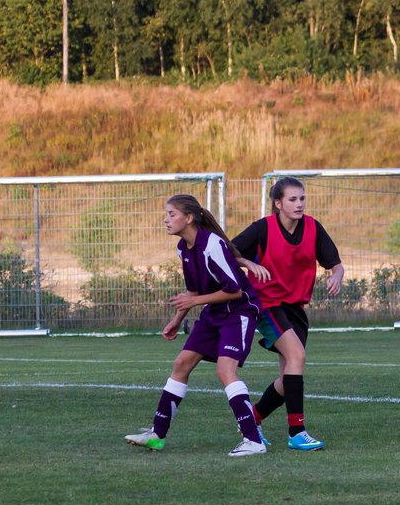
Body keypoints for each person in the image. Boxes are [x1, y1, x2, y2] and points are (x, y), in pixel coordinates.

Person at [125, 194, 266, 457]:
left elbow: (234, 290)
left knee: (225, 371)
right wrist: (177, 320)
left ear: (189, 218)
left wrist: (198, 300)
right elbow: (193, 291)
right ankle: (157, 435)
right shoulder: (183, 247)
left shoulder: (212, 244)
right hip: (214, 312)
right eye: (166, 214)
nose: (166, 219)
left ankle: (253, 440)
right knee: (182, 363)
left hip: (240, 311)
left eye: (171, 214)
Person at [232, 176, 344, 449]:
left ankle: (253, 418)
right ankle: (297, 432)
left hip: (295, 309)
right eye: (292, 199)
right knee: (298, 356)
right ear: (278, 203)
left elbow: (336, 264)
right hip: (267, 304)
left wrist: (336, 276)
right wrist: (249, 263)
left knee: (287, 379)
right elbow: (229, 252)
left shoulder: (313, 228)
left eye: (302, 198)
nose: (299, 204)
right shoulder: (262, 229)